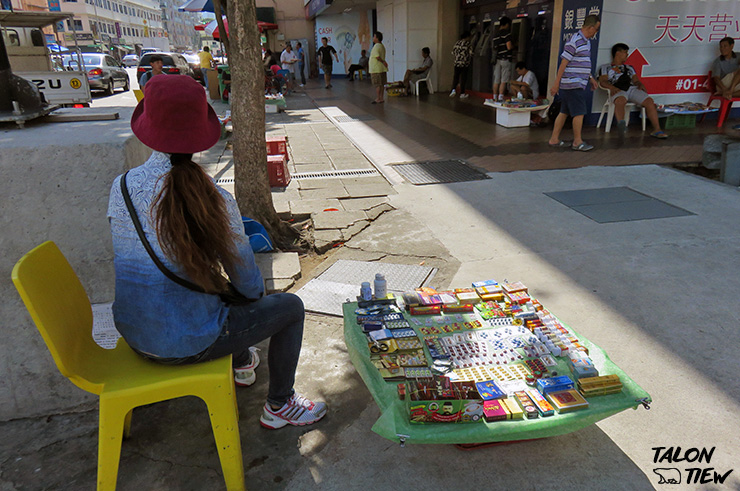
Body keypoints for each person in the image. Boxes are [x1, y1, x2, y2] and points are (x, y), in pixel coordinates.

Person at [107, 75, 327, 429]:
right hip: (188, 344)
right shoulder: (217, 201)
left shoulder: (120, 188)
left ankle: (241, 362)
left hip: (134, 336)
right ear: (200, 134)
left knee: (203, 291)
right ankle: (280, 404)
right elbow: (249, 287)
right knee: (289, 308)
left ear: (147, 126)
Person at [548, 14, 601, 152]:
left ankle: (554, 139)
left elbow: (582, 64)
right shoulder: (574, 41)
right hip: (572, 83)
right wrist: (556, 84)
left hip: (574, 82)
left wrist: (590, 78)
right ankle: (577, 141)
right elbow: (563, 64)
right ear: (590, 28)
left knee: (564, 111)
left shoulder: (586, 42)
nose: (596, 32)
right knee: (579, 112)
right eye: (596, 29)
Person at [598, 43, 667, 139]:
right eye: (625, 52)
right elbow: (602, 82)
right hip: (617, 89)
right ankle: (622, 125)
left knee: (649, 101)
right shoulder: (605, 67)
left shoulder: (630, 68)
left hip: (631, 89)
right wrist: (612, 88)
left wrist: (640, 84)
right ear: (618, 53)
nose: (627, 55)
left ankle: (657, 129)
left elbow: (636, 80)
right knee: (621, 100)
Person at [492, 16, 514, 101]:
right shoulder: (507, 34)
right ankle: (501, 96)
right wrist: (514, 45)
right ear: (507, 24)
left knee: (496, 79)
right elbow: (508, 46)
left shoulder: (495, 35)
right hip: (505, 59)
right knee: (504, 80)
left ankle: (494, 97)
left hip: (497, 59)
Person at [711, 36, 740, 101]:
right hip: (723, 85)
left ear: (732, 46)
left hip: (733, 85)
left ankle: (730, 94)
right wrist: (724, 89)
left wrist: (728, 92)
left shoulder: (738, 56)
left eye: (725, 46)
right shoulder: (718, 61)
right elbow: (716, 79)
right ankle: (729, 91)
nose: (722, 48)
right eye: (721, 46)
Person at [450, 32, 473, 99]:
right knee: (463, 78)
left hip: (456, 63)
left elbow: (453, 52)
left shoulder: (457, 43)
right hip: (464, 64)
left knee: (456, 77)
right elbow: (471, 53)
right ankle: (462, 93)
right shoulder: (468, 44)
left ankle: (453, 90)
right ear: (467, 37)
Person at [369, 31, 388, 104]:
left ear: (377, 38)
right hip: (382, 68)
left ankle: (378, 98)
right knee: (382, 84)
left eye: (374, 36)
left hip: (376, 68)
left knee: (377, 84)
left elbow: (377, 56)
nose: (373, 38)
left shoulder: (376, 46)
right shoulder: (381, 45)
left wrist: (383, 61)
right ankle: (381, 98)